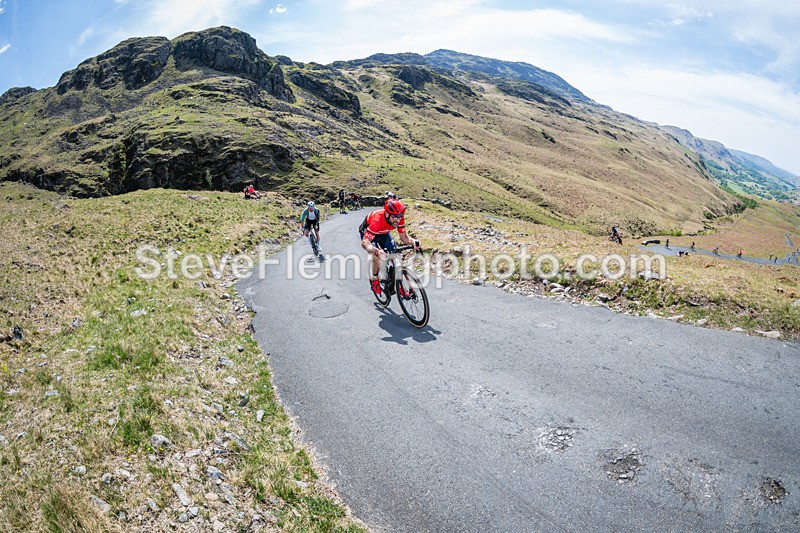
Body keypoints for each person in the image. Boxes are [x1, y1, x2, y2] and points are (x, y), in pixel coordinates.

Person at [360, 199, 421, 295]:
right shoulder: (377, 220)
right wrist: (377, 251)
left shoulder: (399, 218)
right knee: (377, 257)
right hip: (370, 234)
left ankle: (398, 284)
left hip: (384, 233)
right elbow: (365, 242)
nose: (398, 220)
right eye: (395, 217)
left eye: (400, 217)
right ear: (387, 214)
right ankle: (375, 280)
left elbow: (404, 237)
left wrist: (413, 242)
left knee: (396, 256)